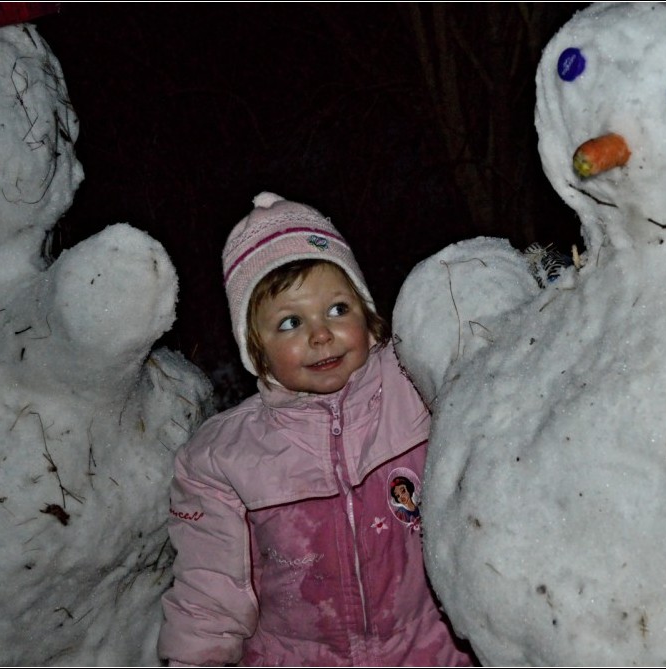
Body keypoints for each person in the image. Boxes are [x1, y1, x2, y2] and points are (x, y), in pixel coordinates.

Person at [158, 193, 473, 666]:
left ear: (368, 315)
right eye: (290, 322)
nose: (320, 334)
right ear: (255, 349)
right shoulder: (223, 459)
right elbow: (210, 590)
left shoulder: (416, 387)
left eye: (338, 309)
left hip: (433, 652)